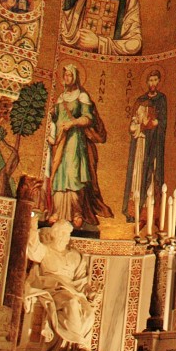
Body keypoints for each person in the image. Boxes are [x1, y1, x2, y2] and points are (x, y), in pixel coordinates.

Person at [47, 65, 113, 229]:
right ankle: (56, 211)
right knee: (58, 173)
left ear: (76, 77)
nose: (67, 78)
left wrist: (73, 123)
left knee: (74, 173)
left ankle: (77, 212)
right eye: (66, 75)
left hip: (76, 140)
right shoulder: (61, 98)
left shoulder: (82, 96)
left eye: (70, 75)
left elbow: (88, 118)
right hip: (60, 140)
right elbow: (54, 118)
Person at [25, 218, 97, 351]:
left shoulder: (76, 256)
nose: (66, 237)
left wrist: (90, 292)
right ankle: (78, 343)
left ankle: (83, 346)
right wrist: (33, 227)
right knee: (71, 303)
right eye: (63, 233)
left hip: (73, 290)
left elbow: (81, 281)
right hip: (52, 288)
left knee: (89, 312)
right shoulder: (45, 250)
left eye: (68, 234)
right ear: (55, 234)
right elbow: (32, 249)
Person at [122, 70, 167, 222]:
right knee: (137, 174)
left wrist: (152, 124)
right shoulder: (140, 100)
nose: (153, 83)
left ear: (159, 81)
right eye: (151, 80)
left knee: (151, 174)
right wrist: (139, 126)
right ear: (147, 82)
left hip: (153, 144)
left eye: (155, 80)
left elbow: (161, 122)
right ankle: (133, 210)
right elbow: (133, 123)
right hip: (140, 143)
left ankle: (148, 212)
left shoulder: (161, 99)